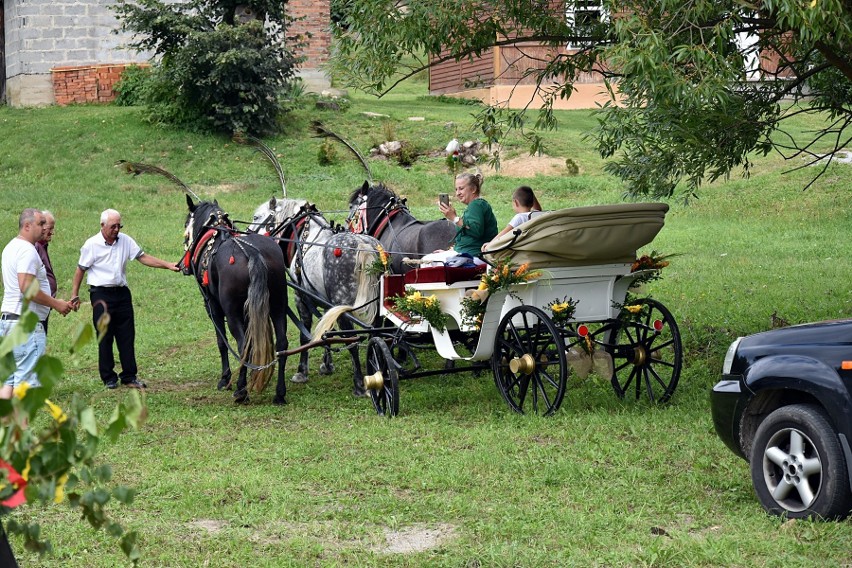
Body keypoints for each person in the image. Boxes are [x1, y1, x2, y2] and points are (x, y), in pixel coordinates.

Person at [70, 209, 180, 390]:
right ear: (102, 226)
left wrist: (168, 265)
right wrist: (74, 294)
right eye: (113, 226)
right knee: (105, 336)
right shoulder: (92, 244)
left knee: (127, 336)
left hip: (121, 293)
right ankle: (108, 377)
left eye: (119, 225)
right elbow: (80, 269)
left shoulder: (126, 241)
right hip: (101, 295)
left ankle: (129, 376)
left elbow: (143, 257)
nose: (116, 229)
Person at [1, 209, 74, 399]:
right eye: (40, 224)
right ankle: (20, 429)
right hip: (26, 325)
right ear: (27, 226)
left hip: (8, 321)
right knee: (26, 389)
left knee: (8, 384)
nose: (45, 228)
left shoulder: (10, 247)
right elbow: (26, 287)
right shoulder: (27, 250)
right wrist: (55, 303)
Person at [436, 171, 498, 262]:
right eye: (456, 189)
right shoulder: (475, 206)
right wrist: (451, 251)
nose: (457, 193)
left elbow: (476, 231)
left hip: (475, 257)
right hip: (469, 254)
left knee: (430, 262)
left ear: (473, 189)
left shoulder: (476, 205)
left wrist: (454, 218)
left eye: (461, 188)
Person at [482, 186, 543, 252]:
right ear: (532, 202)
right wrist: (530, 194)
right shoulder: (537, 215)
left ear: (516, 202)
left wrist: (490, 245)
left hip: (520, 251)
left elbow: (503, 234)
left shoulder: (519, 217)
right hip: (535, 247)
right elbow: (538, 209)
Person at [34, 210, 57, 333]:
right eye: (50, 228)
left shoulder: (42, 246)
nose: (51, 232)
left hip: (43, 306)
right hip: (36, 308)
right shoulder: (35, 247)